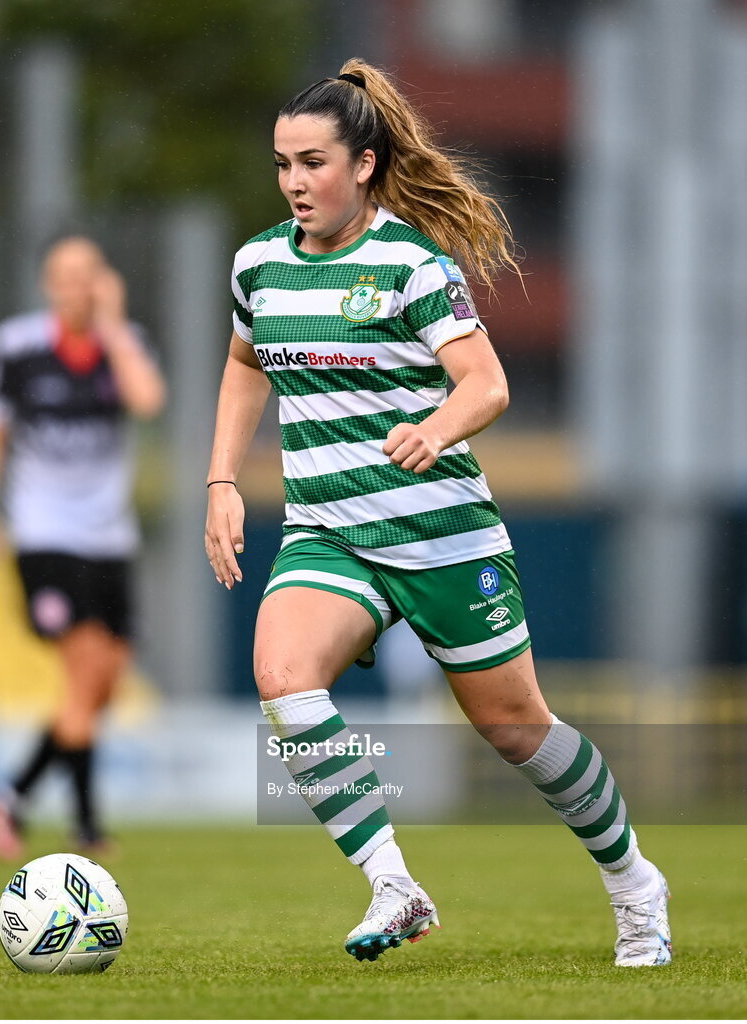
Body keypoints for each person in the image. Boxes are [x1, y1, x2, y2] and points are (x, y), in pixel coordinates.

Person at [205, 60, 672, 967]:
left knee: (515, 729)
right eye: (281, 165)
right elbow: (242, 364)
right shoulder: (257, 263)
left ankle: (633, 884)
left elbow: (485, 383)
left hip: (439, 535)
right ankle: (393, 883)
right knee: (282, 674)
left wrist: (433, 427)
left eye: (313, 163)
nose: (295, 183)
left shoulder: (413, 266)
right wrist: (222, 480)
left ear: (366, 164)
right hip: (329, 531)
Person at [0, 235, 165, 858]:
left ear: (103, 280)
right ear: (49, 285)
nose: (77, 287)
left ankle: (9, 796)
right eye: (65, 276)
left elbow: (147, 400)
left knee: (103, 680)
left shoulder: (123, 343)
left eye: (88, 274)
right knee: (82, 673)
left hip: (110, 537)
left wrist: (113, 325)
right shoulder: (17, 346)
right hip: (45, 534)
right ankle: (85, 826)